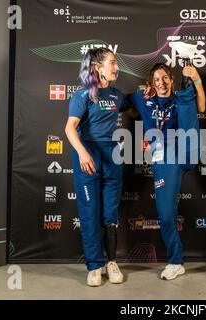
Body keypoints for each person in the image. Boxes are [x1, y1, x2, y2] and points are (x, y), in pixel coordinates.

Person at [125, 62, 206, 280]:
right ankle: (177, 261)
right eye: (156, 80)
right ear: (151, 83)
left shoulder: (180, 98)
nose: (161, 83)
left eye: (165, 78)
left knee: (186, 100)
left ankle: (175, 261)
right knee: (166, 213)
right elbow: (126, 105)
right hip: (162, 159)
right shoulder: (145, 99)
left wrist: (196, 79)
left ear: (171, 79)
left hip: (183, 151)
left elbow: (202, 107)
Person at [65, 48, 130, 287]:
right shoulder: (82, 96)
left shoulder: (116, 95)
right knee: (90, 214)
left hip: (112, 155)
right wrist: (82, 152)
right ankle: (94, 266)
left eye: (116, 62)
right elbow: (70, 128)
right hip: (88, 156)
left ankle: (111, 262)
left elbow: (134, 108)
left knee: (110, 214)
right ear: (97, 67)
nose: (116, 67)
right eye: (112, 62)